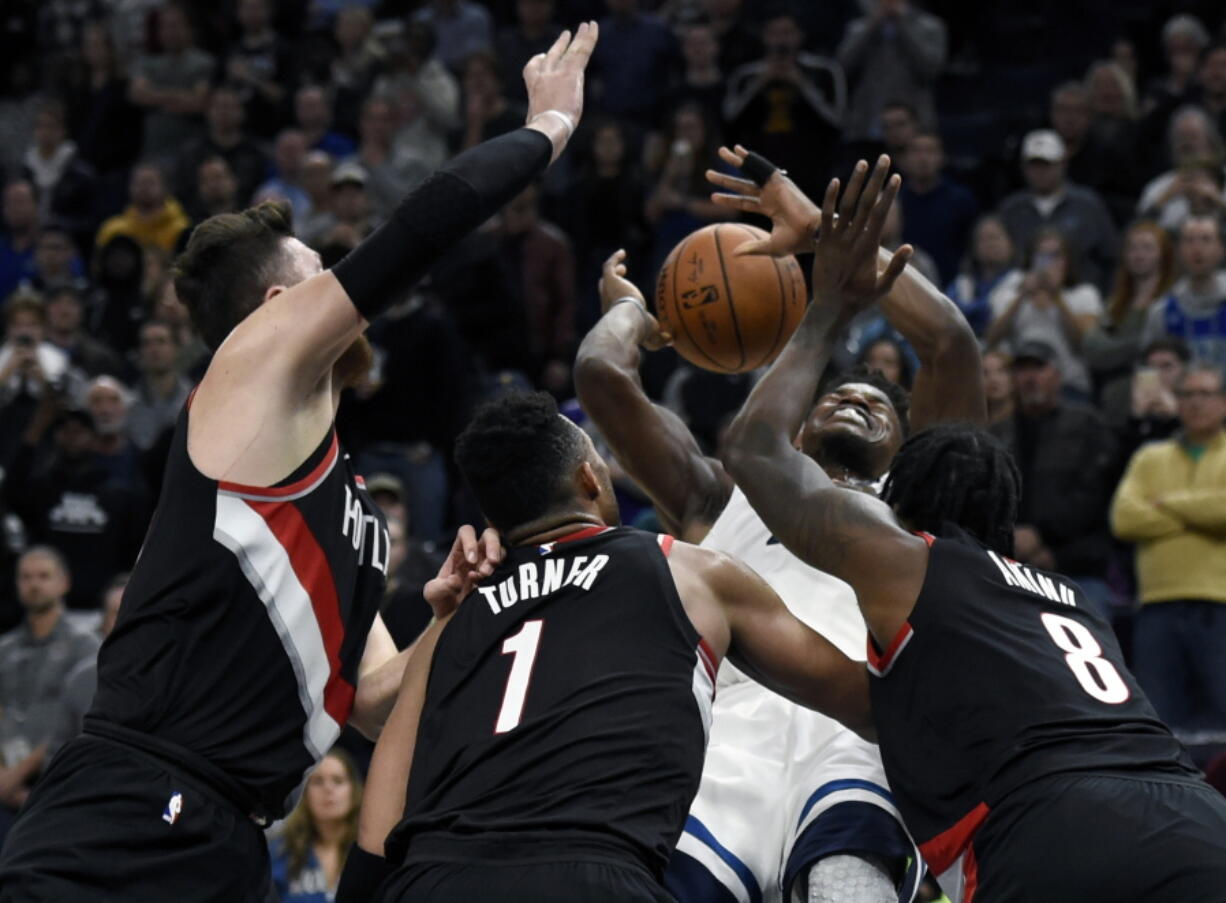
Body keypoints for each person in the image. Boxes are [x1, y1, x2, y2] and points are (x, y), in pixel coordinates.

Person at [0, 23, 598, 901]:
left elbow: (376, 700)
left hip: (232, 836)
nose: (343, 293)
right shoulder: (246, 373)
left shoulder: (350, 507)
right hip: (133, 803)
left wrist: (447, 615)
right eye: (320, 273)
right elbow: (416, 232)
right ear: (280, 307)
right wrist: (546, 128)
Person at [718, 157, 1226, 901]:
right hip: (1193, 811)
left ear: (902, 505)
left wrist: (826, 301)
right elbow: (954, 340)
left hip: (1054, 826)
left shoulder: (910, 562)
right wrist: (841, 241)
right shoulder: (1061, 598)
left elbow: (754, 447)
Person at [576, 150, 984, 903]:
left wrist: (825, 245)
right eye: (839, 394)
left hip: (858, 740)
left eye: (881, 405)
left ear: (907, 442)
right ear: (792, 432)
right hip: (723, 746)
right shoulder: (720, 495)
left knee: (843, 884)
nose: (858, 402)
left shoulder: (923, 501)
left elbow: (951, 344)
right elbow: (602, 377)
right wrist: (632, 314)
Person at [340, 390, 876, 903]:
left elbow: (379, 811)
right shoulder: (687, 570)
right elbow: (861, 699)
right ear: (589, 478)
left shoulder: (456, 620)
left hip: (435, 877)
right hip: (594, 872)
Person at [1110, 362, 1226, 745]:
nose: (1195, 403)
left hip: (1219, 606)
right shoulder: (1150, 457)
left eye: (1205, 394)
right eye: (1186, 395)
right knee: (1160, 729)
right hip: (1156, 607)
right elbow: (1124, 519)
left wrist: (1165, 504)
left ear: (1223, 402)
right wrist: (1199, 515)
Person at [989, 341, 1118, 613]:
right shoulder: (996, 435)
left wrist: (1042, 537)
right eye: (1022, 370)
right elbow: (987, 498)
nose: (1030, 377)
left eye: (1039, 368)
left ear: (1058, 376)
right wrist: (1012, 541)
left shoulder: (1088, 425)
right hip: (1010, 570)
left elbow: (1094, 494)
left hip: (1078, 569)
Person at [0, 547, 100, 845]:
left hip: (54, 786)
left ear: (64, 582)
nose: (34, 584)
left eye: (44, 576)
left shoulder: (86, 649)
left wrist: (15, 778)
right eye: (26, 577)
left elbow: (78, 726)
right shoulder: (4, 649)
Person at [724, 10, 845, 199]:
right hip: (759, 170)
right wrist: (758, 84)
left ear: (800, 36)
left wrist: (802, 84)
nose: (781, 41)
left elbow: (837, 121)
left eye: (787, 33)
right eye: (774, 33)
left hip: (810, 169)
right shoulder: (746, 75)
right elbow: (729, 121)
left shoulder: (823, 71)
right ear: (764, 37)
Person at [996, 129, 1118, 292]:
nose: (1040, 172)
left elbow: (1111, 256)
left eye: (1046, 165)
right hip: (1023, 302)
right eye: (1034, 165)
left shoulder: (1087, 205)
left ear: (1063, 163)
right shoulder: (1011, 209)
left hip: (1080, 299)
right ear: (1023, 167)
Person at [985, 228, 1103, 397]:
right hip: (1021, 387)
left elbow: (1085, 344)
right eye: (1042, 256)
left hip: (1069, 386)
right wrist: (1021, 297)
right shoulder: (1009, 294)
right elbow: (991, 340)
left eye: (1056, 255)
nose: (1048, 263)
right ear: (1031, 260)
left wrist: (1057, 297)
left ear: (1067, 261)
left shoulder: (1083, 294)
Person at [1084, 222, 1176, 417]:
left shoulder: (1173, 303)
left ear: (1163, 254)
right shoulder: (1114, 305)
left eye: (1147, 248)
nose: (1139, 254)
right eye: (1133, 248)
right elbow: (1094, 350)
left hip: (1162, 397)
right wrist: (1141, 345)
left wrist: (1117, 348)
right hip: (1115, 399)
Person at [836, 0, 947, 150]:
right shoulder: (858, 28)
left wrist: (902, 26)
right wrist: (873, 25)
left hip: (914, 125)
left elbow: (930, 69)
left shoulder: (929, 26)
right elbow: (843, 68)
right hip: (866, 124)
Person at [270, 750, 364, 903]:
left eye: (338, 780)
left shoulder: (371, 851)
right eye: (318, 781)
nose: (328, 789)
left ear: (353, 790)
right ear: (305, 794)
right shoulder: (280, 851)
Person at [128, 2, 214, 161]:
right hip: (153, 151)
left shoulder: (204, 63)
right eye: (165, 27)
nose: (170, 32)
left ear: (189, 29)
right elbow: (137, 95)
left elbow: (199, 102)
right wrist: (180, 96)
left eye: (175, 26)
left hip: (190, 152)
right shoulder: (148, 63)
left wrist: (155, 97)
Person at [1140, 215, 1226, 367]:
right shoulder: (1162, 312)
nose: (1197, 248)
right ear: (1179, 250)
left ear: (1222, 249)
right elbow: (1148, 371)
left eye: (1206, 240)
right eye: (1189, 240)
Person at [173, 85, 272, 213]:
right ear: (208, 112)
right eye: (218, 107)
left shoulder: (255, 154)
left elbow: (263, 195)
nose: (224, 112)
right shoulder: (191, 153)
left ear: (242, 112)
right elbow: (182, 195)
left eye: (230, 107)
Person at [897, 131, 978, 285]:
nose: (923, 158)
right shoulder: (895, 201)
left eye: (930, 151)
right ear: (904, 159)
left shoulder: (961, 200)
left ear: (942, 158)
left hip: (952, 288)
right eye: (916, 151)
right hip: (904, 284)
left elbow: (971, 250)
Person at [1136, 106, 1226, 233]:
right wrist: (1165, 199)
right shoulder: (1157, 188)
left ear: (1211, 142)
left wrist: (1217, 200)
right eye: (1180, 138)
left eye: (1193, 136)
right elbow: (1136, 233)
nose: (1186, 143)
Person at [218, 0, 297, 140]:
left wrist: (249, 77)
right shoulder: (230, 50)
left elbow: (284, 96)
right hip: (236, 135)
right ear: (238, 12)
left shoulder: (283, 49)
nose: (252, 14)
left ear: (269, 11)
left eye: (257, 8)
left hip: (270, 132)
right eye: (247, 8)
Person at [945, 215, 1021, 338]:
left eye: (995, 238)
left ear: (1011, 243)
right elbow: (946, 317)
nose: (990, 244)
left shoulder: (1022, 282)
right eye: (982, 239)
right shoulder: (962, 283)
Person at [94, 163, 190, 254]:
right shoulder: (113, 231)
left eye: (150, 182)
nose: (144, 188)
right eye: (138, 183)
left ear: (165, 187)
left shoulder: (181, 230)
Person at [127, 319, 192, 451]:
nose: (154, 349)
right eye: (147, 344)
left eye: (161, 341)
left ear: (176, 348)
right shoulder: (128, 404)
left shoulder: (194, 400)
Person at [0, 180, 40, 301]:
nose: (15, 209)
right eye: (9, 203)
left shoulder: (53, 247)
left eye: (20, 202)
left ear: (36, 205)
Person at [295, 85, 356, 160]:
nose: (307, 110)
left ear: (326, 109)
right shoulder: (288, 144)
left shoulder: (341, 144)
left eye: (311, 105)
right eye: (302, 106)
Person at [983, 349, 1014, 424]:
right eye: (985, 373)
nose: (993, 379)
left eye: (1001, 371)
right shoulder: (973, 421)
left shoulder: (1026, 421)